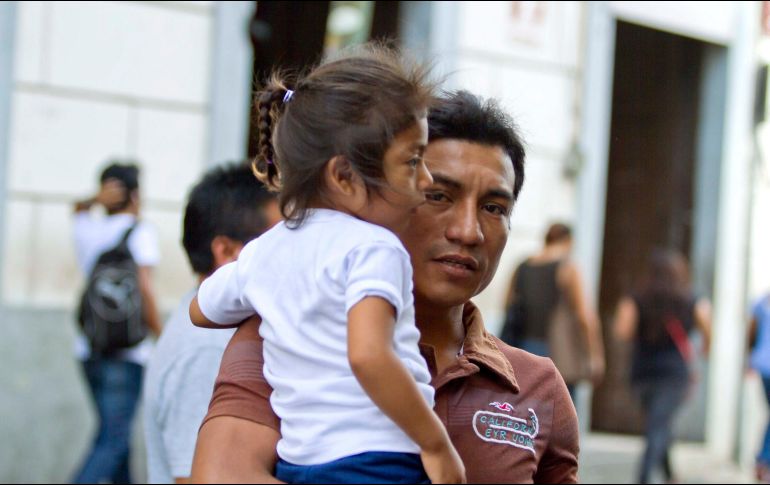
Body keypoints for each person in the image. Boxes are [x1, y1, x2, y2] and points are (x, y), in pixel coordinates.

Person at [191, 90, 580, 484]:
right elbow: (223, 476)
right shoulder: (287, 334)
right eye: (437, 196)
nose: (468, 231)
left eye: (494, 208)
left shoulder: (537, 385)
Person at [189, 45, 465, 484]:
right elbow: (369, 354)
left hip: (302, 464)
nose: (427, 180)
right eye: (413, 161)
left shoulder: (264, 250)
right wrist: (435, 443)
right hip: (380, 461)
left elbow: (201, 310)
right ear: (344, 177)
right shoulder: (375, 248)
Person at [142, 163, 280, 484]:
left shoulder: (216, 330)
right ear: (227, 251)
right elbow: (198, 477)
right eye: (276, 242)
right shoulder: (207, 348)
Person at [72, 162, 162, 484]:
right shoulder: (141, 232)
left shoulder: (87, 229)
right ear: (135, 196)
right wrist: (162, 335)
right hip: (127, 355)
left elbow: (78, 209)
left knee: (115, 437)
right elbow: (145, 288)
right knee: (113, 440)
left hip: (88, 349)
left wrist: (94, 200)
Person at [614, 248, 711, 484]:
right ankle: (644, 477)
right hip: (674, 373)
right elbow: (707, 325)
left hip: (643, 371)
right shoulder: (691, 298)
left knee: (657, 422)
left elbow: (622, 331)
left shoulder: (637, 298)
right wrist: (704, 349)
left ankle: (668, 474)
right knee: (658, 424)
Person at [501, 223, 605, 398]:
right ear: (568, 241)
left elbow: (507, 304)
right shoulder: (567, 268)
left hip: (522, 347)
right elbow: (584, 316)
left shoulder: (522, 266)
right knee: (558, 412)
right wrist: (594, 355)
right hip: (557, 352)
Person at [748, 291, 770, 482]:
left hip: (763, 364)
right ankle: (763, 459)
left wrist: (748, 358)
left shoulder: (762, 301)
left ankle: (763, 460)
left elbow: (752, 332)